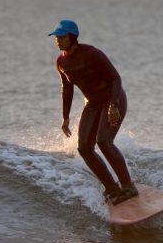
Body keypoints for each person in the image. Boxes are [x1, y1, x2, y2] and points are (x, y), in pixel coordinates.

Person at [48, 19, 138, 205]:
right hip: (93, 104)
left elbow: (115, 78)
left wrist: (113, 106)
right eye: (56, 37)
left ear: (72, 37)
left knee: (104, 141)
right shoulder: (61, 62)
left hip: (113, 98)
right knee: (84, 148)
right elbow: (67, 89)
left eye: (62, 37)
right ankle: (112, 188)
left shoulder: (92, 54)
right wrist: (65, 117)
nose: (58, 40)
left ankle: (128, 186)